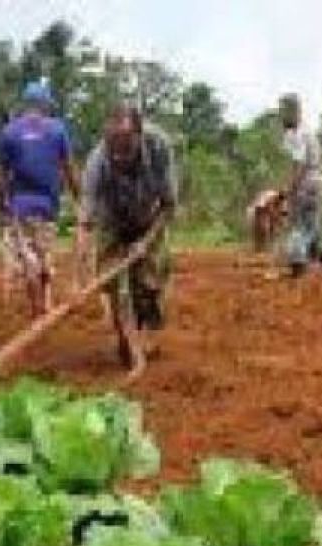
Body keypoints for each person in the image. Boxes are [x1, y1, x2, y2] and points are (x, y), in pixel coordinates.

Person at [75, 104, 177, 382]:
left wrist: (145, 241)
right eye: (113, 152)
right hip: (112, 220)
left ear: (139, 137)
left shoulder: (159, 148)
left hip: (149, 218)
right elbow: (85, 223)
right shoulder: (97, 162)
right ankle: (128, 343)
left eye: (125, 151)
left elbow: (169, 206)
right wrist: (80, 277)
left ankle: (143, 330)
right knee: (109, 280)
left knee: (148, 284)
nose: (118, 159)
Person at [0, 82, 78, 317]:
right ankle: (46, 301)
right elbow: (68, 168)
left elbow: (3, 175)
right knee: (45, 254)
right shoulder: (57, 130)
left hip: (19, 206)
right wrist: (79, 199)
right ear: (45, 105)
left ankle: (37, 308)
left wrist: (0, 206)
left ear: (25, 105)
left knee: (27, 257)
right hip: (48, 206)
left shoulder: (9, 132)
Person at [278, 93, 322, 277]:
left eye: (284, 111)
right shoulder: (303, 132)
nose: (282, 116)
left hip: (307, 184)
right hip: (315, 183)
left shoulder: (298, 135)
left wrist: (290, 190)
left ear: (294, 112)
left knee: (300, 226)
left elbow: (299, 165)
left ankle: (297, 266)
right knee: (311, 228)